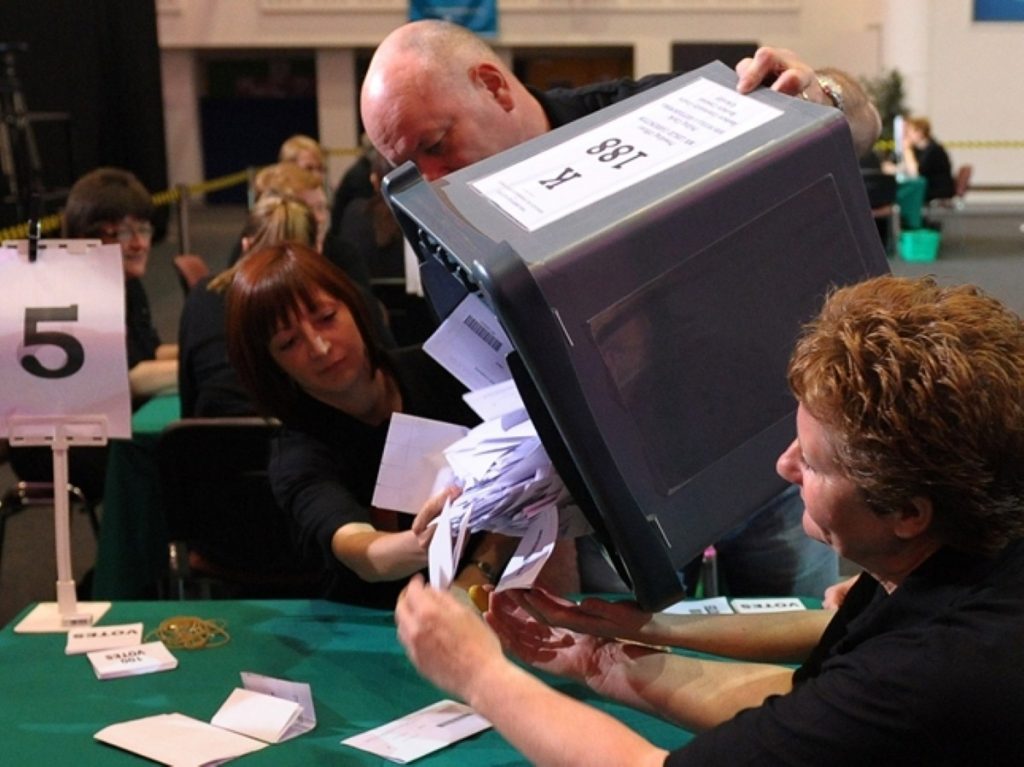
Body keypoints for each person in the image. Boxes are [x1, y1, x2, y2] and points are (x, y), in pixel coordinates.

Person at [396, 274, 1024, 765]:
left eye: (814, 461)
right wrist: (610, 655)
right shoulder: (967, 550)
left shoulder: (933, 669)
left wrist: (478, 675)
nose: (784, 466)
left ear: (909, 512)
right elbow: (803, 711)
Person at [361, 20, 882, 597]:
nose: (434, 179)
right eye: (408, 167)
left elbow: (863, 123)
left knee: (796, 647)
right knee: (636, 668)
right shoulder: (454, 226)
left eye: (436, 145)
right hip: (625, 499)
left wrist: (817, 96)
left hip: (767, 461)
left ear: (494, 86)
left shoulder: (647, 114)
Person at [224, 243, 521, 607]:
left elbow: (527, 487)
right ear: (271, 366)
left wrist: (474, 576)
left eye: (326, 317)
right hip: (373, 623)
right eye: (289, 342)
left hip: (505, 594)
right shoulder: (297, 455)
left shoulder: (444, 371)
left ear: (354, 307)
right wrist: (431, 539)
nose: (319, 347)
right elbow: (363, 552)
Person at [8, 168, 178, 503]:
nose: (140, 243)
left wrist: (210, 350)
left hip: (100, 430)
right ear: (88, 233)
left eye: (143, 228)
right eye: (124, 232)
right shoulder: (74, 290)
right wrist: (201, 366)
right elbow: (127, 379)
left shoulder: (127, 283)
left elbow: (149, 352)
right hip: (58, 445)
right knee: (174, 458)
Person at [177, 194, 319, 418]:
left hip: (207, 441)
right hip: (296, 435)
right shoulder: (319, 302)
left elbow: (189, 391)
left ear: (245, 244)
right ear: (316, 249)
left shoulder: (203, 294)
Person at [898, 115, 955, 201]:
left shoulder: (933, 150)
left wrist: (907, 149)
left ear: (919, 133)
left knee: (902, 194)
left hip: (936, 190)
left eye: (909, 131)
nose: (906, 135)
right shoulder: (920, 150)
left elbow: (915, 174)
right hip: (928, 188)